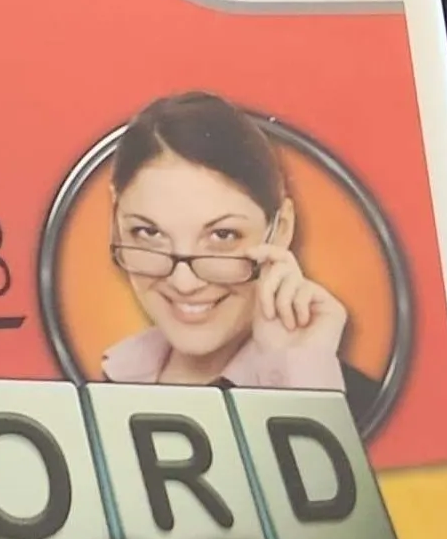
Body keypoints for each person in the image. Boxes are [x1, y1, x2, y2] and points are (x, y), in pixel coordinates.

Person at [99, 91, 372, 413]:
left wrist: (300, 373)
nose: (184, 284)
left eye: (223, 235)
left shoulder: (354, 401)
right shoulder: (105, 384)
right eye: (149, 233)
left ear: (280, 228)